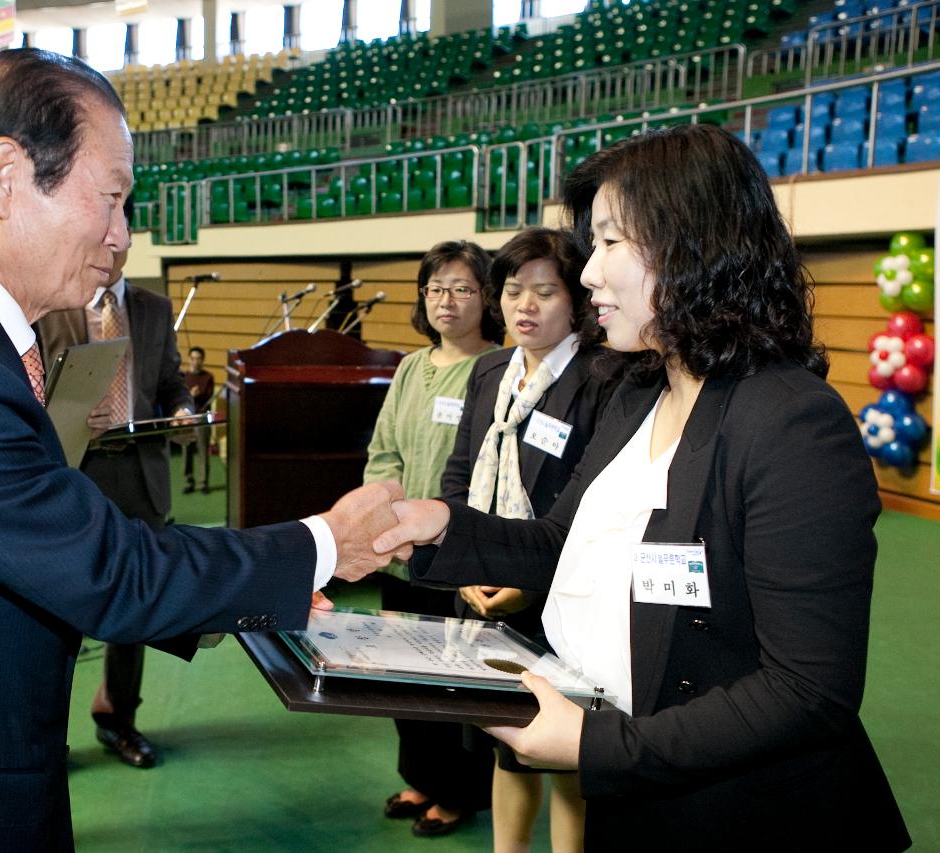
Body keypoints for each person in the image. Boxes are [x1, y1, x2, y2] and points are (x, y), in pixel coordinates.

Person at [0, 48, 403, 852]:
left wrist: (254, 592)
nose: (123, 234)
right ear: (8, 175)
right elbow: (110, 570)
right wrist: (326, 543)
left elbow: (48, 548)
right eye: (114, 198)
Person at [374, 124, 911, 851]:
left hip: (748, 816)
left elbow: (808, 691)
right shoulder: (638, 390)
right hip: (641, 800)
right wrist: (441, 526)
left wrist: (595, 746)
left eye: (611, 242)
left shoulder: (791, 422)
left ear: (695, 245)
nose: (589, 272)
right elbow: (563, 545)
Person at [439, 227, 616, 853]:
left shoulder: (601, 379)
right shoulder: (490, 371)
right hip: (482, 591)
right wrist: (462, 559)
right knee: (505, 743)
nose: (526, 307)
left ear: (576, 302)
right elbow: (458, 474)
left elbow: (596, 506)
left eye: (545, 292)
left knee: (569, 754)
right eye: (515, 291)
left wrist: (526, 579)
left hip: (558, 596)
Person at [36, 207, 192, 770]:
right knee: (57, 610)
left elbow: (172, 382)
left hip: (141, 475)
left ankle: (119, 720)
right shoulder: (53, 304)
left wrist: (181, 410)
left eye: (118, 236)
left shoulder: (153, 308)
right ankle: (43, 732)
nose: (109, 246)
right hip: (74, 474)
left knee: (133, 609)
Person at [364, 240, 505, 838]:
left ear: (486, 297)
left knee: (455, 682)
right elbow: (383, 451)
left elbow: (495, 472)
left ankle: (461, 793)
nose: (447, 300)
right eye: (435, 288)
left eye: (463, 288)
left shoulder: (500, 368)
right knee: (401, 675)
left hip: (461, 554)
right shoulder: (409, 367)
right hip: (401, 553)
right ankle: (421, 776)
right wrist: (384, 520)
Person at [182, 346, 215, 495]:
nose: (196, 361)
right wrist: (190, 395)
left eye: (199, 359)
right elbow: (181, 398)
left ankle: (203, 483)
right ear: (189, 359)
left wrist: (197, 395)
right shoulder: (183, 377)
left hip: (201, 417)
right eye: (193, 358)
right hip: (188, 417)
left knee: (203, 452)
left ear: (202, 360)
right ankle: (188, 481)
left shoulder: (208, 377)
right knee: (186, 452)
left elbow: (209, 397)